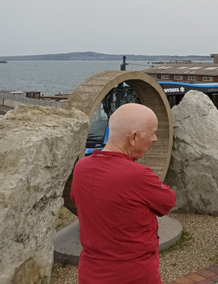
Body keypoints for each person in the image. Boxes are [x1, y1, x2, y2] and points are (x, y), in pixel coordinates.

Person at [70, 103, 176, 284]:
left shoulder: (81, 167)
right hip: (134, 275)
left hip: (90, 273)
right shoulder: (138, 175)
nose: (155, 139)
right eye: (152, 133)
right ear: (134, 137)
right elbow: (167, 201)